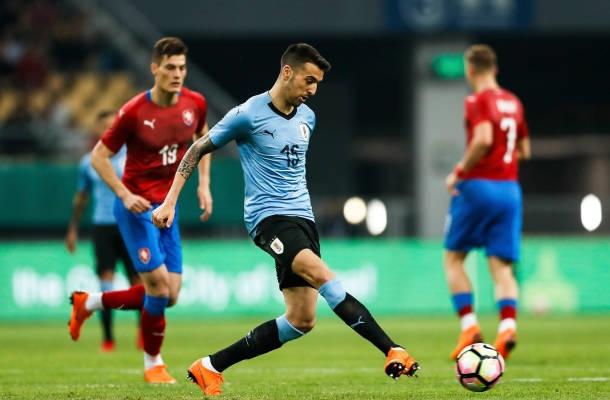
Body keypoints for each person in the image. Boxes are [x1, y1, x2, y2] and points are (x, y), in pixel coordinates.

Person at [152, 43, 420, 396]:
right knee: (324, 276)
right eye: (309, 80)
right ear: (287, 72)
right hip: (269, 219)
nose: (313, 89)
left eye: (318, 83)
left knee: (301, 320)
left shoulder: (308, 118)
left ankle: (210, 366)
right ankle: (391, 349)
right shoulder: (247, 114)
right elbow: (197, 148)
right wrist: (170, 201)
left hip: (303, 220)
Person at [67, 37, 213, 384]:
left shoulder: (195, 103)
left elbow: (203, 140)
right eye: (170, 68)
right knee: (158, 289)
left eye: (182, 68)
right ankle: (153, 365)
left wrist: (203, 184)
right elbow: (99, 157)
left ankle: (90, 303)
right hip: (136, 209)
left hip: (168, 208)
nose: (177, 74)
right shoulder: (134, 111)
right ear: (154, 69)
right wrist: (123, 193)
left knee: (170, 295)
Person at [443, 44, 531, 361]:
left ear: (470, 70)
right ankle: (507, 326)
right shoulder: (514, 102)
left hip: (478, 186)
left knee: (454, 259)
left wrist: (458, 173)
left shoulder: (476, 100)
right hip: (510, 190)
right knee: (501, 267)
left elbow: (483, 139)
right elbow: (525, 151)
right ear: (495, 68)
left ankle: (469, 326)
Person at [65, 110, 141, 352]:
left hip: (131, 225)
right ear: (98, 130)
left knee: (138, 282)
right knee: (105, 283)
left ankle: (143, 334)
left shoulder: (133, 156)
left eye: (113, 126)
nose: (110, 130)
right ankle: (108, 339)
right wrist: (73, 228)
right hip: (103, 227)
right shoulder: (89, 162)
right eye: (105, 127)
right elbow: (81, 197)